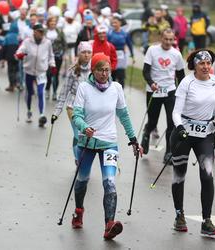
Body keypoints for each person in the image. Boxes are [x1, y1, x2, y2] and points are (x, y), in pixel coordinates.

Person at [71, 52, 142, 240]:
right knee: (82, 180)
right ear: (93, 70)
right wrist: (84, 127)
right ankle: (79, 211)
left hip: (109, 142)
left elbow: (124, 115)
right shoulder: (84, 88)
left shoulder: (116, 88)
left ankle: (109, 225)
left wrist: (133, 139)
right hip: (87, 141)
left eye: (107, 70)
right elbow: (76, 115)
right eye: (100, 70)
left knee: (110, 183)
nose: (104, 74)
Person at [171, 49, 215, 235]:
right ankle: (179, 215)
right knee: (179, 175)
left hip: (205, 134)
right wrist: (179, 127)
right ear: (194, 65)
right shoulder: (187, 82)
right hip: (183, 133)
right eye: (202, 63)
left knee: (207, 176)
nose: (206, 67)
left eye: (208, 63)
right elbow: (176, 112)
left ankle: (206, 221)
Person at [141, 28, 185, 164]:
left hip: (170, 91)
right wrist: (151, 83)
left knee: (171, 123)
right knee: (153, 121)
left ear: (174, 40)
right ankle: (146, 133)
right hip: (154, 90)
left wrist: (182, 92)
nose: (168, 42)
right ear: (161, 38)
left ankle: (169, 152)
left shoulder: (177, 54)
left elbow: (181, 76)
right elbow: (145, 71)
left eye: (171, 39)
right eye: (166, 39)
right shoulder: (152, 50)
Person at [51, 42, 92, 165]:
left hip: (90, 107)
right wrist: (56, 112)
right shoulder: (73, 70)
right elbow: (64, 92)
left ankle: (82, 157)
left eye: (89, 52)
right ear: (79, 54)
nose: (86, 55)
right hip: (73, 107)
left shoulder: (95, 69)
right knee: (78, 134)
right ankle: (78, 159)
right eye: (83, 52)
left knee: (86, 136)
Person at [15, 23, 56, 127]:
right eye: (40, 32)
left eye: (43, 32)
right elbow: (19, 51)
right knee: (29, 93)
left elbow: (51, 55)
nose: (42, 34)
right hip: (29, 71)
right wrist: (19, 55)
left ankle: (42, 116)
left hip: (41, 72)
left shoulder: (47, 42)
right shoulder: (27, 41)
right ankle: (29, 110)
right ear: (34, 32)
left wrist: (53, 65)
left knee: (41, 92)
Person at [107, 15, 134, 88]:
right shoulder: (109, 33)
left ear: (120, 23)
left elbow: (130, 44)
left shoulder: (125, 34)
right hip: (112, 56)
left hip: (122, 56)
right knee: (112, 76)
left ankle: (121, 92)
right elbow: (107, 45)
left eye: (115, 23)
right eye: (113, 23)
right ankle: (112, 92)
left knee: (121, 76)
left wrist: (132, 55)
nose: (114, 24)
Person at [45, 16, 67, 101]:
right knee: (48, 74)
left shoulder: (60, 31)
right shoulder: (45, 31)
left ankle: (54, 92)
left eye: (54, 23)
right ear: (48, 23)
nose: (53, 24)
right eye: (51, 23)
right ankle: (47, 90)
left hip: (58, 55)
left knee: (56, 74)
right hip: (47, 56)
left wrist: (64, 53)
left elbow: (64, 43)